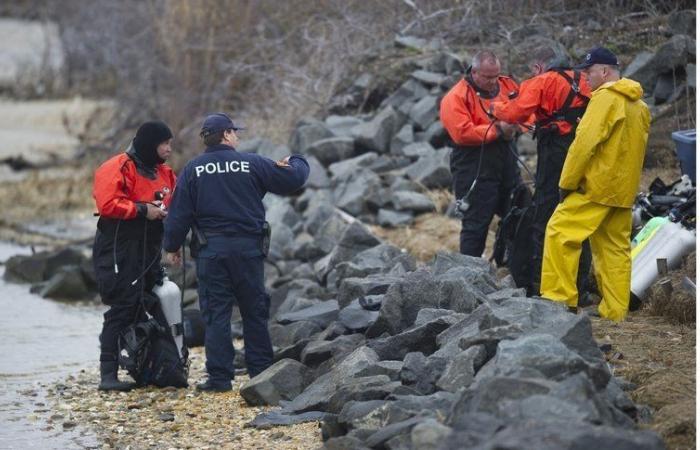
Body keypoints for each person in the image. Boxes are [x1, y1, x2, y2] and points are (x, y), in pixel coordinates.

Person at [163, 113, 309, 392]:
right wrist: (298, 160)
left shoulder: (193, 170)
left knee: (216, 314)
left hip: (211, 253)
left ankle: (220, 379)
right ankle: (261, 371)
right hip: (248, 251)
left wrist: (172, 247)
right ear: (226, 135)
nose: (238, 136)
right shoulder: (252, 163)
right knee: (254, 311)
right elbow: (294, 179)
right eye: (235, 132)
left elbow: (179, 214)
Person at [540, 47, 650, 321]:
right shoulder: (640, 105)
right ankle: (615, 311)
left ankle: (559, 301)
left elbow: (583, 145)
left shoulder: (604, 99)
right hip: (623, 191)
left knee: (559, 232)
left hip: (597, 188)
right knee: (614, 248)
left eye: (588, 72)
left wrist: (567, 182)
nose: (584, 78)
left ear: (604, 71)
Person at [489, 45, 593, 297]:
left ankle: (539, 283)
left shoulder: (542, 81)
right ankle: (580, 283)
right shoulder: (584, 80)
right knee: (580, 215)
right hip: (584, 152)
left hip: (555, 152)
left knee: (545, 213)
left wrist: (495, 108)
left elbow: (515, 112)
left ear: (538, 67)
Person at [92, 120, 176, 391]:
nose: (169, 149)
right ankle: (108, 375)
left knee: (149, 303)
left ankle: (152, 367)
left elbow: (175, 202)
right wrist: (143, 210)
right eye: (165, 144)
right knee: (123, 308)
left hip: (148, 249)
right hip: (119, 249)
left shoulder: (164, 172)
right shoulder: (117, 167)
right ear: (151, 144)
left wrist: (173, 243)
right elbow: (107, 204)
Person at [439, 50, 523, 257]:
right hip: (473, 165)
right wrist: (498, 130)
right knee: (476, 224)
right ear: (474, 72)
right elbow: (461, 133)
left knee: (520, 215)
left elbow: (526, 110)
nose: (493, 81)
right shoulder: (456, 97)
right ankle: (468, 277)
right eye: (487, 77)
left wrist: (518, 126)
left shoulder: (508, 85)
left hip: (507, 159)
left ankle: (515, 269)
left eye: (496, 75)